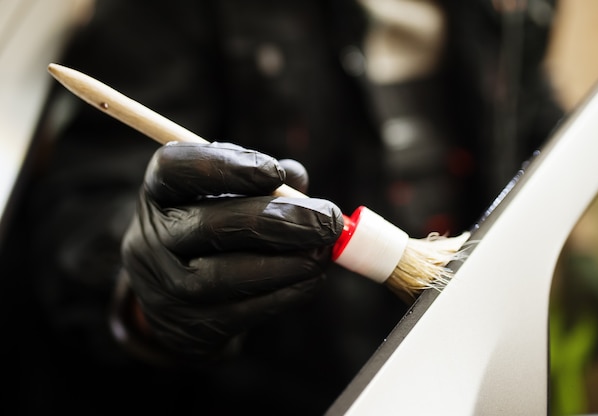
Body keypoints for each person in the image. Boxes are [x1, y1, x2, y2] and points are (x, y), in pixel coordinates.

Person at [0, 0, 563, 414]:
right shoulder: (178, 16)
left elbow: (525, 123)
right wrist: (145, 294)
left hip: (467, 376)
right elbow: (81, 212)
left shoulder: (511, 14)